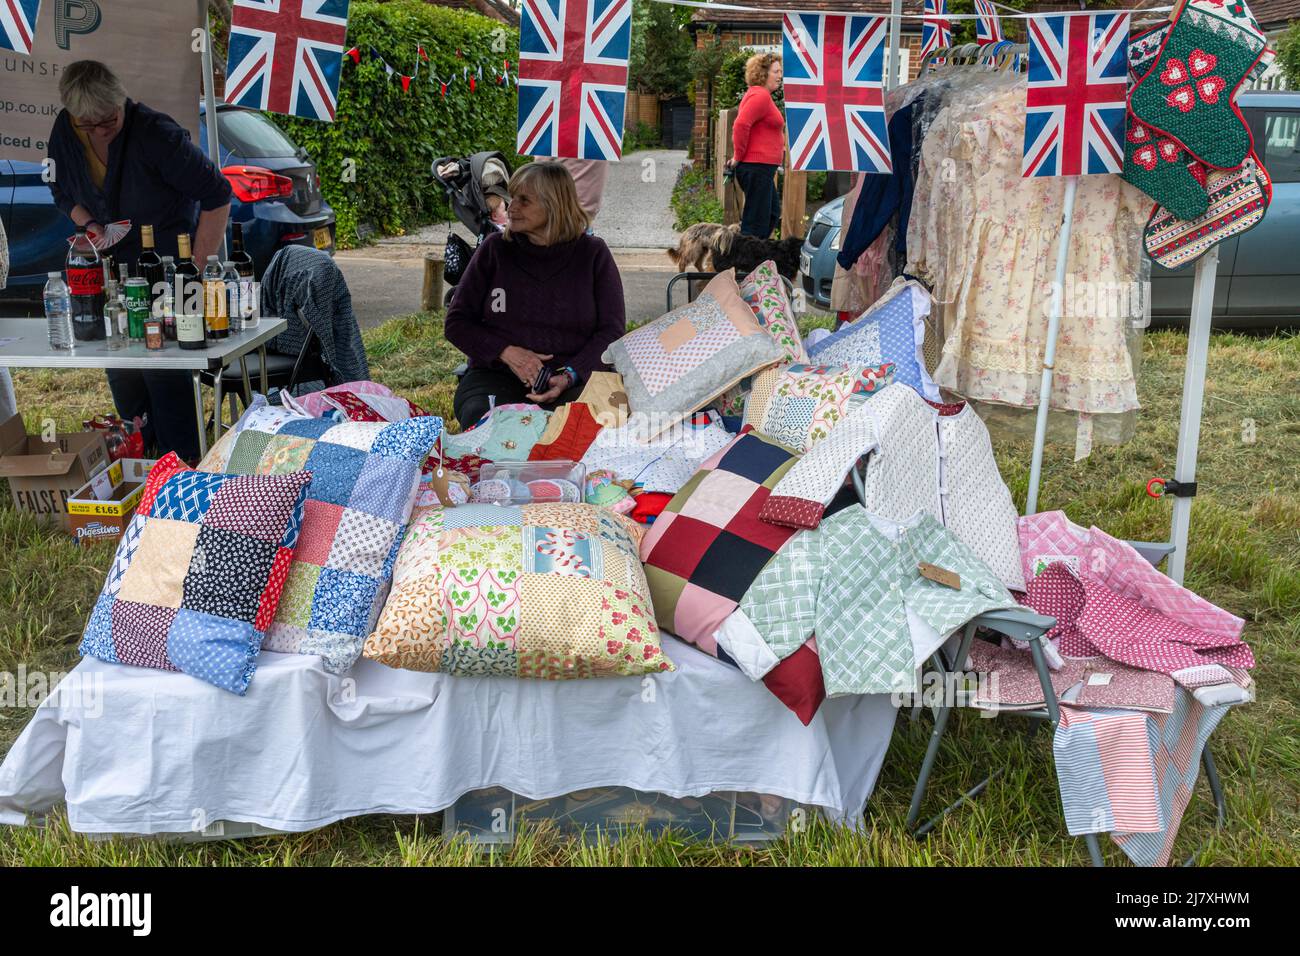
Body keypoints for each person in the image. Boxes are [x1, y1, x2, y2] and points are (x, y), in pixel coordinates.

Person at [46, 60, 232, 462]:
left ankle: (184, 471)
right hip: (114, 279)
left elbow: (217, 194)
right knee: (122, 372)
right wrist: (90, 224)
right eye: (88, 124)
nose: (98, 130)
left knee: (163, 376)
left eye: (107, 120)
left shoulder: (156, 134)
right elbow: (60, 190)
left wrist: (194, 272)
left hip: (166, 274)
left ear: (120, 101)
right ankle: (141, 469)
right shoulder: (66, 130)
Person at [444, 161, 626, 430]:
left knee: (583, 429)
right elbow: (457, 323)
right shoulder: (495, 250)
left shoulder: (592, 254)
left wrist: (569, 375)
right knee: (489, 424)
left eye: (524, 200)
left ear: (554, 205)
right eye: (512, 197)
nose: (511, 207)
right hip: (497, 376)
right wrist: (506, 352)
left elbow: (611, 331)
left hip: (574, 379)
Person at [726, 53, 785, 239]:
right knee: (756, 221)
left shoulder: (760, 95)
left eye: (780, 71)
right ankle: (745, 263)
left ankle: (755, 258)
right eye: (776, 71)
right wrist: (738, 156)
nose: (780, 75)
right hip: (755, 167)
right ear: (763, 73)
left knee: (771, 215)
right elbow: (741, 124)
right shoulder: (760, 96)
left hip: (762, 169)